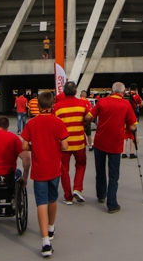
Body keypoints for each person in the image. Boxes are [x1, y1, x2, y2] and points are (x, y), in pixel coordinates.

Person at [21, 92, 69, 257]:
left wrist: (35, 147)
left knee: (41, 202)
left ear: (39, 106)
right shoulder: (58, 122)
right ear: (52, 105)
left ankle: (45, 242)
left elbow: (24, 146)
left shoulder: (31, 123)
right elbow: (65, 146)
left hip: (39, 169)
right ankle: (51, 227)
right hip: (54, 168)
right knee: (52, 198)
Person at [86, 82, 137, 214]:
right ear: (123, 92)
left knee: (100, 171)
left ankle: (101, 195)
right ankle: (112, 204)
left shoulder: (102, 102)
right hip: (115, 143)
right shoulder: (126, 104)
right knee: (113, 174)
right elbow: (133, 125)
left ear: (112, 90)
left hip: (100, 142)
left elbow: (89, 117)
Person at [55, 82, 90, 204]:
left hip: (64, 143)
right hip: (79, 142)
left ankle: (68, 197)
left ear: (64, 92)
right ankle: (77, 188)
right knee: (81, 165)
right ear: (76, 92)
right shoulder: (83, 104)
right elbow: (87, 119)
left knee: (64, 170)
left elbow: (55, 125)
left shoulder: (58, 107)